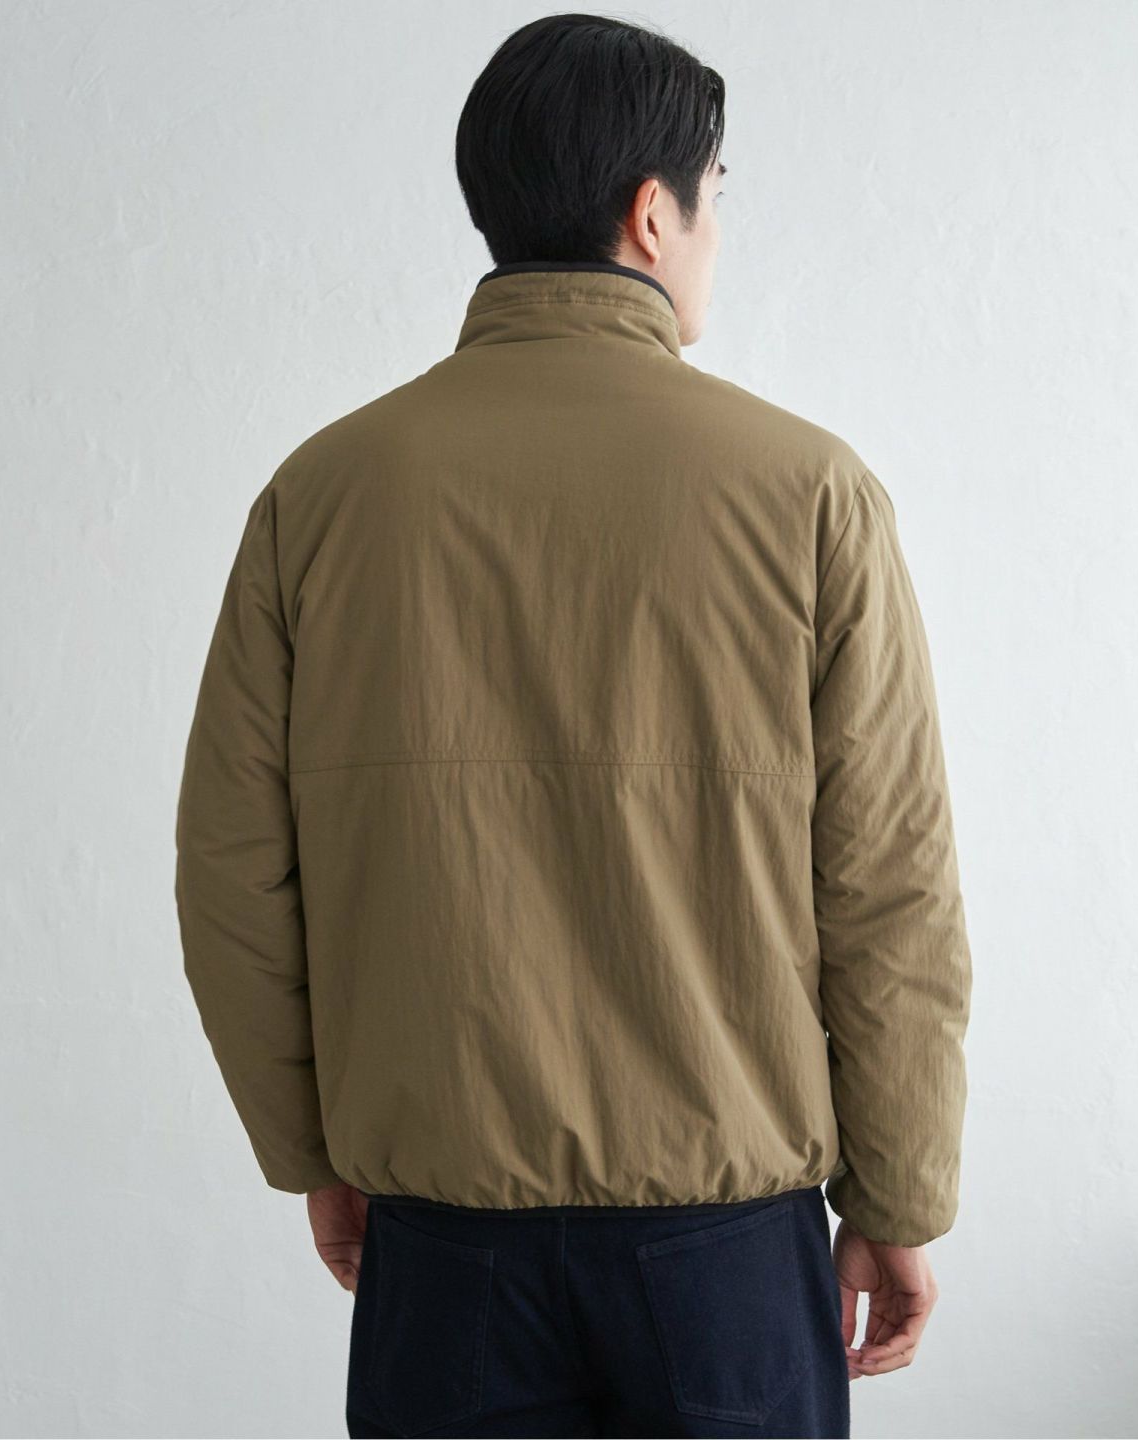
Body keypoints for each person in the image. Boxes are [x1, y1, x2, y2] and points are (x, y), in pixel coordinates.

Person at [173, 13, 972, 1439]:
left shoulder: (323, 496)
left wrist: (316, 1150)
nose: (718, 228)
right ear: (651, 213)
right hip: (729, 1247)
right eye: (717, 192)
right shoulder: (810, 494)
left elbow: (231, 872)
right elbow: (888, 882)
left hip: (443, 1235)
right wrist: (900, 1195)